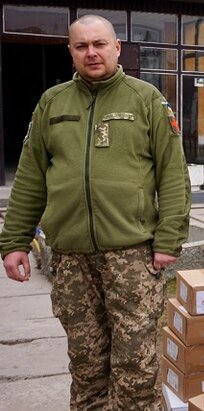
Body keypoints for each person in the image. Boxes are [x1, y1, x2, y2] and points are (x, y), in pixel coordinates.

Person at [0, 15, 190, 409]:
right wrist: (14, 241)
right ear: (70, 51)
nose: (92, 53)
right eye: (81, 46)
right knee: (86, 368)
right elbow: (31, 177)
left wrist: (169, 239)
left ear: (117, 47)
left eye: (99, 44)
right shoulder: (52, 103)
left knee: (136, 367)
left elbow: (173, 175)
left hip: (132, 257)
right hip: (71, 259)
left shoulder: (146, 99)